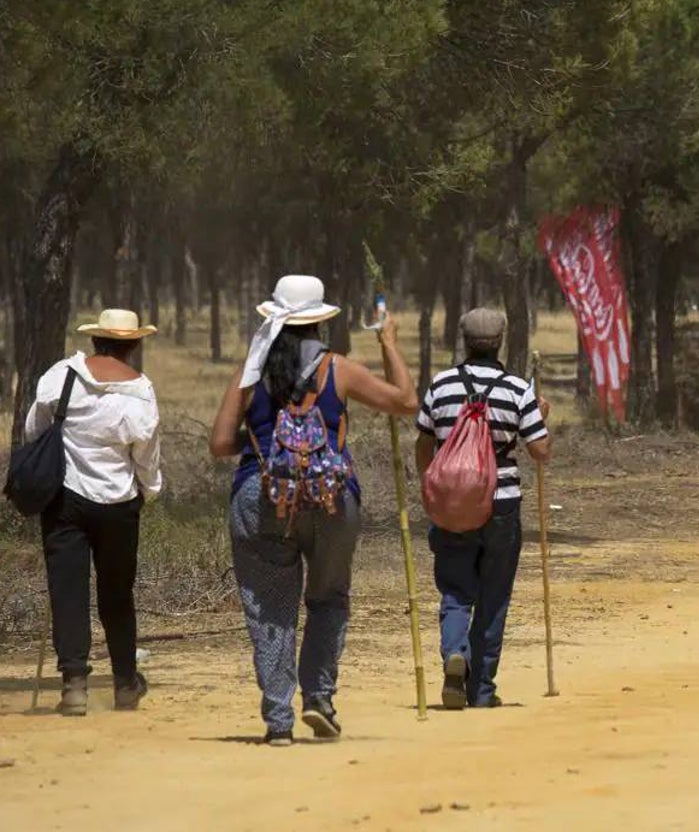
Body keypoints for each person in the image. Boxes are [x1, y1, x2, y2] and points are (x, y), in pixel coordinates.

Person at [210, 275, 418, 746]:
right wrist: (388, 343)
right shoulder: (338, 369)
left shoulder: (250, 374)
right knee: (328, 597)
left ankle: (279, 720)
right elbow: (406, 402)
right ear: (318, 322)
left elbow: (220, 443)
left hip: (260, 500)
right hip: (331, 499)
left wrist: (266, 442)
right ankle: (319, 699)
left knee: (270, 608)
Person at [25, 309, 162, 716]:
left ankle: (73, 686)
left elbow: (36, 430)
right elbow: (147, 456)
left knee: (67, 590)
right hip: (119, 504)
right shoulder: (141, 391)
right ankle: (124, 683)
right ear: (134, 344)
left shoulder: (60, 376)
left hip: (65, 499)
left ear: (96, 340)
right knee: (116, 594)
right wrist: (149, 492)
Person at [417, 308, 550, 710]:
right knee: (494, 598)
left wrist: (433, 482)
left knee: (455, 590)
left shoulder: (440, 386)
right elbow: (540, 451)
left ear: (464, 339)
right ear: (501, 340)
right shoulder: (516, 389)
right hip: (502, 505)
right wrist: (543, 417)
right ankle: (482, 691)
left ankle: (455, 653)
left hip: (453, 505)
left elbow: (424, 443)